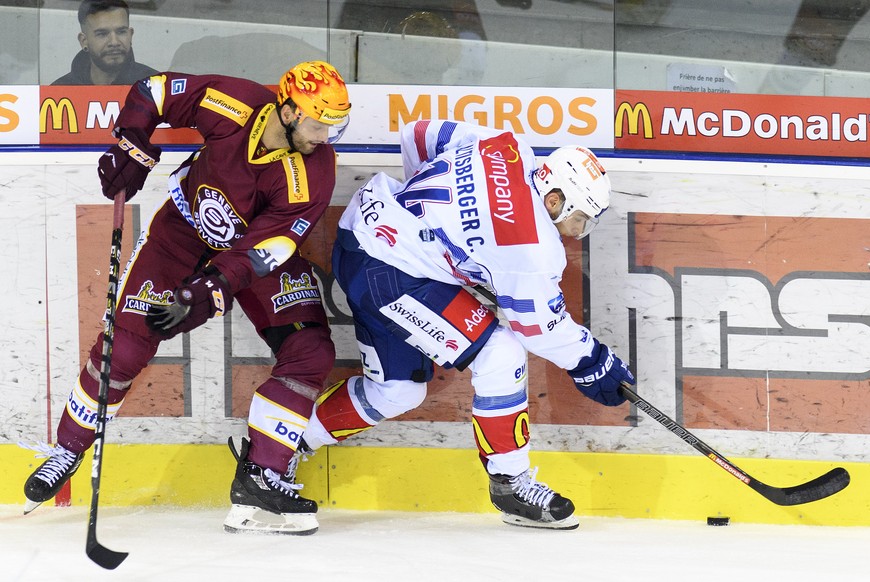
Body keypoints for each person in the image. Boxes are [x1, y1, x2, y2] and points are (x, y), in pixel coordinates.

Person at [23, 60, 352, 536]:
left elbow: (270, 248)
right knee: (129, 344)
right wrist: (132, 145)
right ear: (288, 110)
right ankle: (68, 449)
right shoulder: (236, 101)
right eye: (321, 122)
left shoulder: (314, 171)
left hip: (248, 259)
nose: (327, 135)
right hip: (180, 232)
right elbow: (153, 92)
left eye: (335, 124)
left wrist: (211, 286)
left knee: (310, 350)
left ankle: (262, 477)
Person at [299, 120, 635, 530]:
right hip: (386, 274)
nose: (579, 232)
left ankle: (284, 442)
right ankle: (510, 482)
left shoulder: (506, 148)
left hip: (362, 233)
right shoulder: (532, 248)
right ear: (554, 199)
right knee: (501, 353)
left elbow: (419, 134)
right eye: (581, 218)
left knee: (397, 392)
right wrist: (593, 362)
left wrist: (431, 231)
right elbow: (538, 329)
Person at [52, 0, 158, 85]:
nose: (114, 42)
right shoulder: (61, 90)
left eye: (121, 32)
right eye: (102, 34)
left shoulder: (155, 85)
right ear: (84, 41)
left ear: (130, 36)